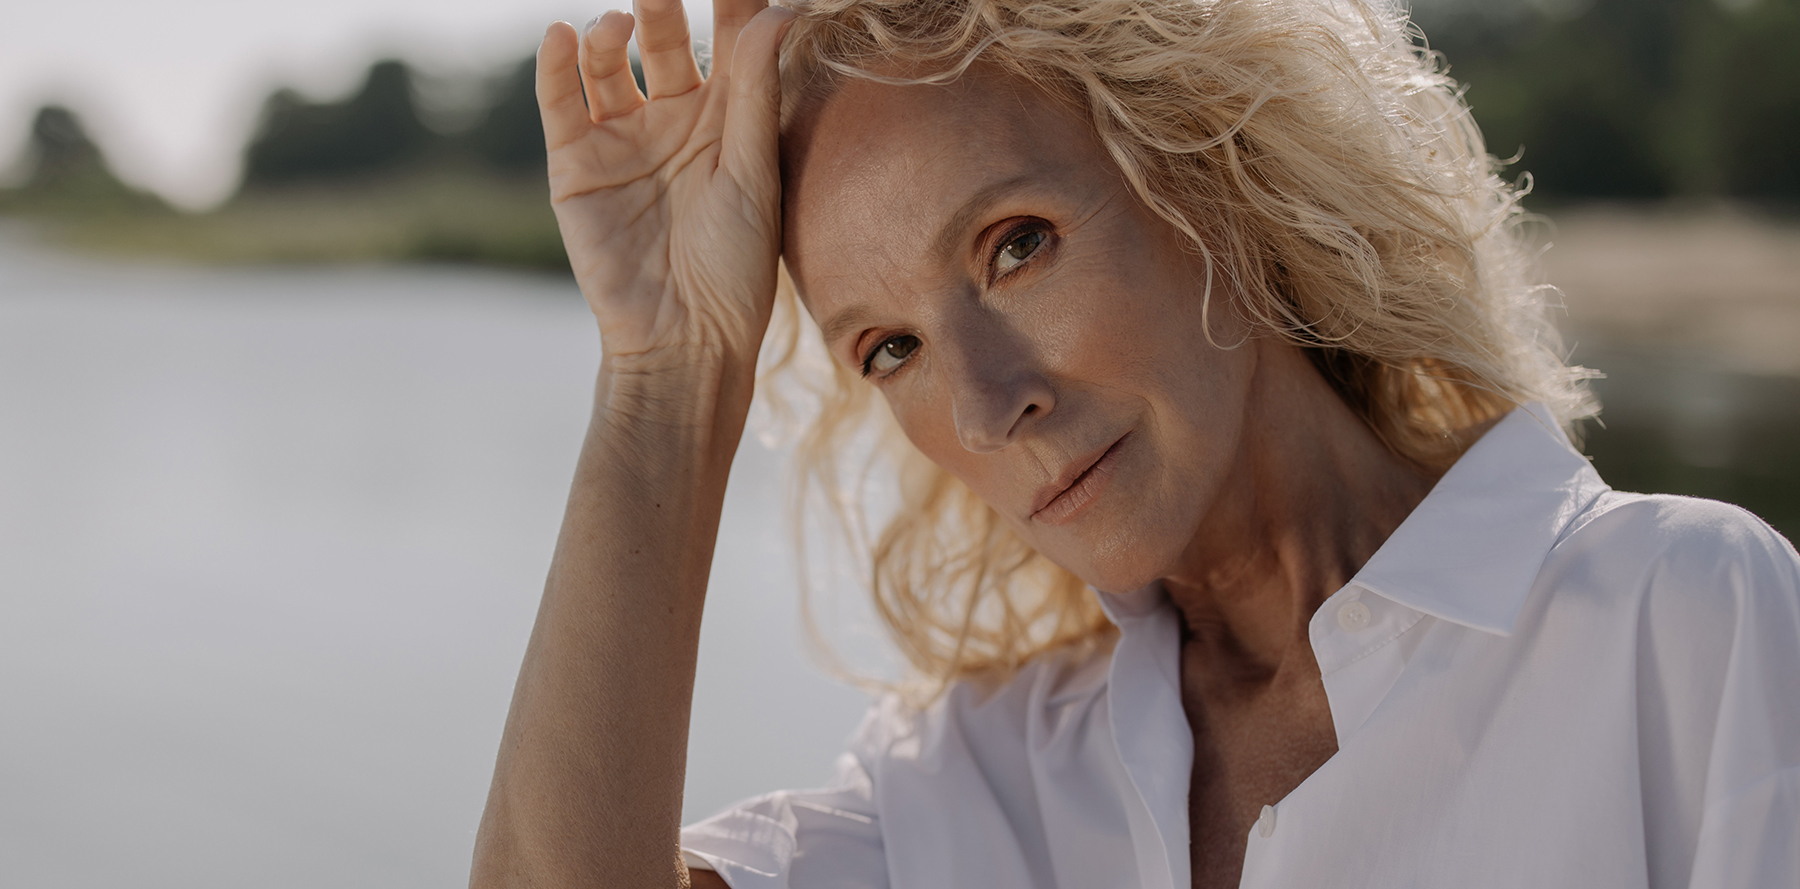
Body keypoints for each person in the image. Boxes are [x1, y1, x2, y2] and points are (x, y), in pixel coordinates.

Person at [467, 0, 1800, 886]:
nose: (988, 406)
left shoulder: (1680, 620)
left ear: (1206, 169)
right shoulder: (967, 782)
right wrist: (671, 373)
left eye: (1016, 246)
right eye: (892, 350)